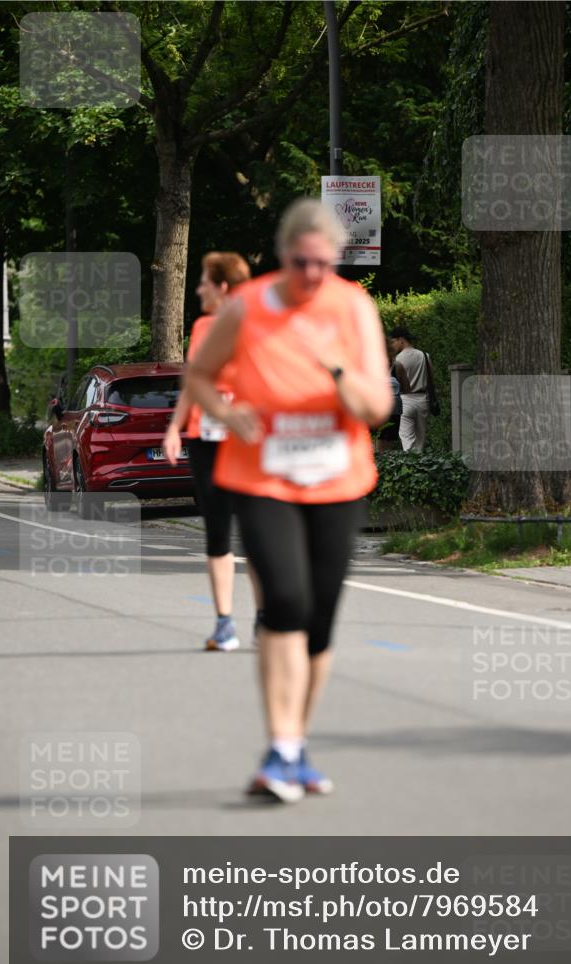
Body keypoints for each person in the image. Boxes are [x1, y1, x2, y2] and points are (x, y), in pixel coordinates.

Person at [185, 199, 392, 803]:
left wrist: (336, 370)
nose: (312, 275)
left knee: (319, 620)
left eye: (324, 264)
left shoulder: (352, 307)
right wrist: (225, 412)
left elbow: (378, 409)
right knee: (285, 601)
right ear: (282, 256)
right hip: (263, 479)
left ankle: (294, 746)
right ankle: (280, 747)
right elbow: (199, 376)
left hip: (337, 481)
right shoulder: (247, 306)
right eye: (301, 262)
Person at [163, 251, 262, 651]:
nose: (198, 289)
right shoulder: (203, 326)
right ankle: (224, 623)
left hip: (245, 438)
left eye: (204, 282)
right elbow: (193, 382)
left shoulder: (258, 326)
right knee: (217, 530)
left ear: (222, 287)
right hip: (204, 438)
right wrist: (174, 428)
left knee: (255, 532)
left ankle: (264, 620)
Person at [388, 325, 435, 453]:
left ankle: (411, 463)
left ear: (401, 340)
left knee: (407, 439)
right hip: (423, 400)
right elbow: (431, 378)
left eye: (393, 341)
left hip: (405, 400)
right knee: (420, 440)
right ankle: (420, 462)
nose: (392, 345)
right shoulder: (425, 356)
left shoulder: (397, 359)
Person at [375, 338, 411, 452]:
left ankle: (378, 458)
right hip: (394, 408)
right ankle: (388, 459)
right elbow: (407, 389)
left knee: (377, 436)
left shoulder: (371, 365)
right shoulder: (398, 366)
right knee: (390, 439)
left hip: (377, 406)